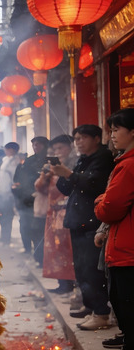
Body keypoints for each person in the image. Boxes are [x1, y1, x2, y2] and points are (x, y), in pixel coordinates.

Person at [53, 124, 114, 330]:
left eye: (83, 137)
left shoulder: (103, 158)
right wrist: (62, 173)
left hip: (92, 222)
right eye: (76, 138)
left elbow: (95, 184)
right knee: (81, 268)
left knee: (91, 269)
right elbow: (66, 188)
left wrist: (69, 173)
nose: (79, 141)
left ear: (97, 138)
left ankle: (101, 312)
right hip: (78, 220)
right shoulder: (83, 159)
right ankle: (90, 306)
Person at [95, 109, 134, 350]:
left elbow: (110, 207)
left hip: (127, 247)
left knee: (126, 302)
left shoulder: (129, 165)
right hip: (126, 243)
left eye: (116, 130)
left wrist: (98, 201)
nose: (112, 136)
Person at [35, 135, 76, 294]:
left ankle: (73, 286)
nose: (58, 152)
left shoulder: (74, 165)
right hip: (53, 213)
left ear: (70, 147)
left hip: (68, 212)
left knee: (69, 250)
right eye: (55, 149)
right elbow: (40, 189)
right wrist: (45, 176)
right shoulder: (51, 168)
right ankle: (63, 284)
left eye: (61, 148)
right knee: (56, 249)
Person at [13, 136, 49, 262]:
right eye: (33, 145)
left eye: (38, 144)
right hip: (27, 200)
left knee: (41, 230)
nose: (35, 147)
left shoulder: (49, 160)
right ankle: (32, 252)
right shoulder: (29, 161)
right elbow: (21, 179)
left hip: (44, 200)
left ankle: (42, 258)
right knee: (28, 227)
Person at [0, 142, 19, 245]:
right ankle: (4, 238)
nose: (5, 151)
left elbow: (13, 179)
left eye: (6, 149)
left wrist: (9, 193)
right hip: (0, 193)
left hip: (8, 194)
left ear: (12, 150)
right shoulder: (6, 160)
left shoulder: (15, 162)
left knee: (7, 217)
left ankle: (6, 239)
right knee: (2, 216)